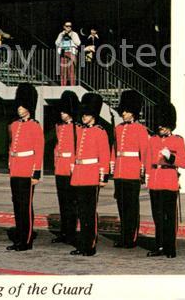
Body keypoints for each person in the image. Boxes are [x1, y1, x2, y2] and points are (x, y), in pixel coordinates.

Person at [143, 102, 185, 258]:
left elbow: (184, 163)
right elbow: (148, 160)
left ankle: (170, 247)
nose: (160, 128)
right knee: (158, 217)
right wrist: (147, 176)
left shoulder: (177, 140)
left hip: (169, 180)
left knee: (169, 216)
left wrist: (171, 157)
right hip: (155, 181)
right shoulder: (153, 139)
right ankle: (160, 246)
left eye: (163, 126)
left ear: (169, 126)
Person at [70, 93, 110, 256]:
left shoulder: (100, 132)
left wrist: (103, 176)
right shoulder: (80, 131)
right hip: (79, 175)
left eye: (86, 114)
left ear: (93, 115)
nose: (83, 117)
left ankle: (90, 244)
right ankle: (82, 243)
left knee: (89, 212)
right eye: (83, 114)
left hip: (92, 175)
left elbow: (104, 156)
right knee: (81, 212)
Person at [6, 83, 44, 252]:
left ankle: (26, 240)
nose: (20, 109)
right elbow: (11, 147)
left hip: (28, 170)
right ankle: (19, 238)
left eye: (23, 106)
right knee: (17, 205)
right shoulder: (14, 126)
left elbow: (39, 150)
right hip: (16, 169)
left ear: (29, 107)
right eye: (19, 106)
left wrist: (36, 172)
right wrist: (10, 166)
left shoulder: (35, 126)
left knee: (25, 205)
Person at [111, 90, 150, 249]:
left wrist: (143, 172)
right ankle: (124, 236)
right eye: (123, 111)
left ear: (133, 112)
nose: (123, 114)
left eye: (126, 111)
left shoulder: (140, 129)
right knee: (121, 206)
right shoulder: (118, 129)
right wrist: (112, 165)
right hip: (120, 171)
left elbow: (144, 153)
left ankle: (131, 237)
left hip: (132, 172)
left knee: (131, 207)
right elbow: (114, 149)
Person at [52, 91, 80, 245]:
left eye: (64, 111)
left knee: (71, 203)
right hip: (60, 168)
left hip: (71, 168)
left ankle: (71, 233)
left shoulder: (77, 127)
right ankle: (64, 231)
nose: (62, 114)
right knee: (62, 202)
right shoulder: (59, 127)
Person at [55, 22, 81, 86]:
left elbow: (78, 43)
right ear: (64, 27)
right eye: (67, 26)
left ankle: (72, 86)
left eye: (70, 26)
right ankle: (63, 85)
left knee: (71, 71)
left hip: (71, 52)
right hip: (63, 53)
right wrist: (61, 35)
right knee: (63, 71)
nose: (69, 27)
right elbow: (57, 43)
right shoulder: (61, 34)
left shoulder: (74, 34)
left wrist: (71, 36)